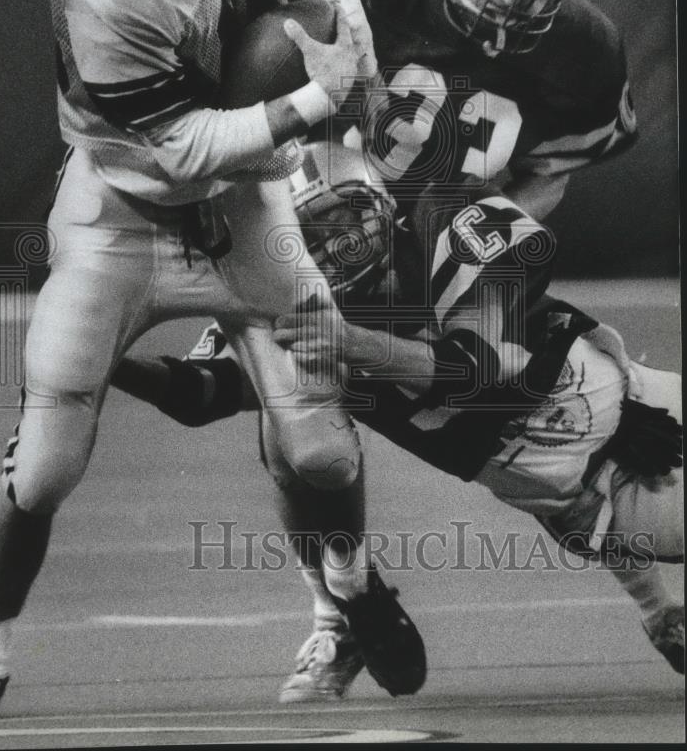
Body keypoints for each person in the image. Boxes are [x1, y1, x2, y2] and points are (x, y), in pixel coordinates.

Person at [0, 0, 427, 725]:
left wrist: (341, 98)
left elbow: (326, 3)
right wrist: (312, 102)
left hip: (244, 203)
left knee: (319, 447)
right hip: (126, 208)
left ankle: (347, 596)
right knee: (46, 462)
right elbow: (180, 149)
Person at [109, 0, 643, 701]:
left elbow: (551, 170)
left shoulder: (585, 49)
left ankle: (651, 591)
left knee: (518, 429)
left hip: (453, 248)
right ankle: (338, 611)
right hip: (328, 225)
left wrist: (487, 238)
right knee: (298, 431)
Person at [117, 161, 685, 690]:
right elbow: (199, 394)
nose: (338, 245)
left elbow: (482, 372)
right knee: (286, 421)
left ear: (379, 204)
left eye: (342, 218)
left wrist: (355, 343)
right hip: (586, 496)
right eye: (310, 237)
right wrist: (105, 362)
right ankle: (345, 599)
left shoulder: (448, 224)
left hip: (640, 406)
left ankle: (660, 613)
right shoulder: (284, 312)